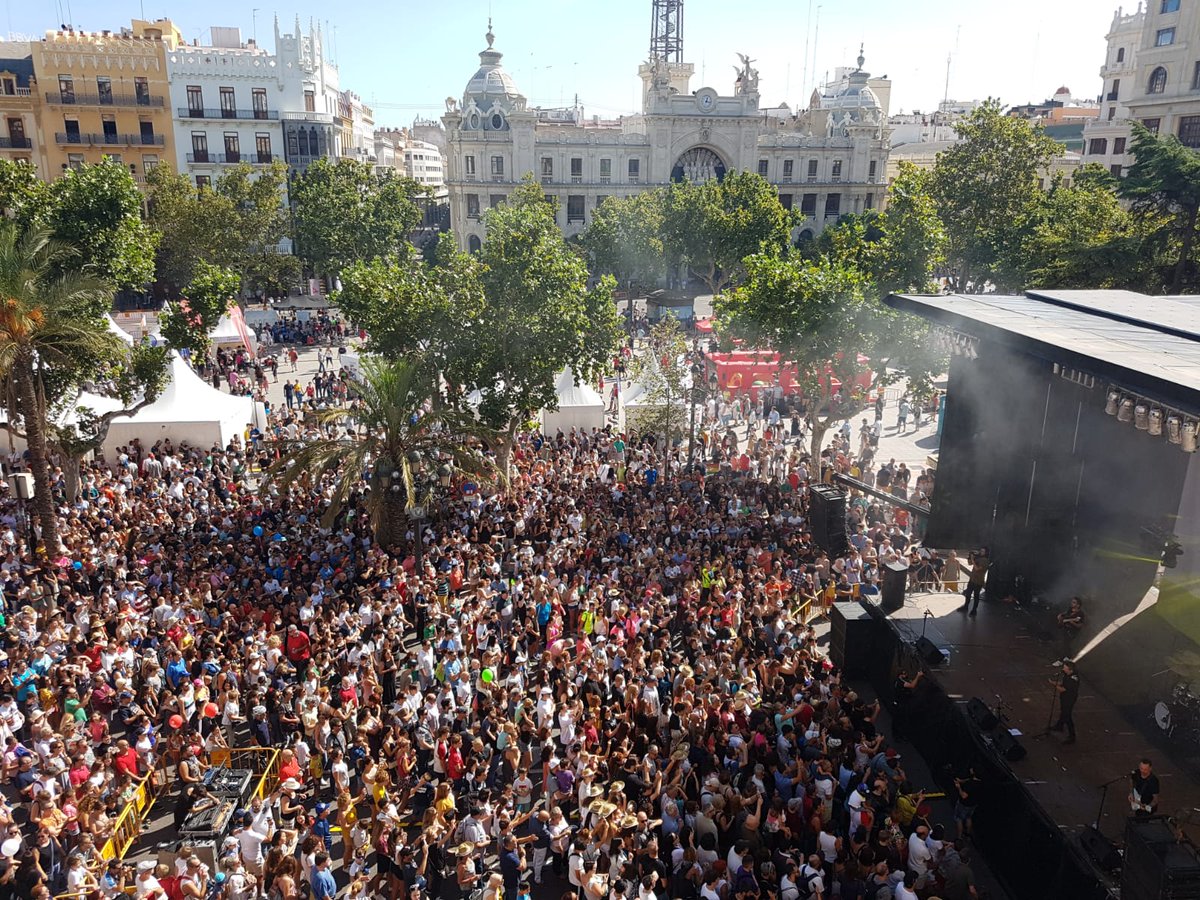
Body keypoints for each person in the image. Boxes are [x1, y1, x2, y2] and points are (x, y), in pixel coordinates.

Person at [1050, 659, 1079, 745]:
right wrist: (1055, 683)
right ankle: (1059, 726)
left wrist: (1054, 684)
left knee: (1067, 716)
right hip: (1065, 698)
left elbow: (1062, 689)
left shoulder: (1072, 679)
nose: (1063, 669)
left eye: (1065, 668)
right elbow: (1063, 684)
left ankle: (1072, 736)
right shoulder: (1068, 675)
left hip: (1069, 699)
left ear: (1070, 670)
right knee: (1063, 712)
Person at [960, 549, 989, 616]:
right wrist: (970, 557)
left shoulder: (985, 561)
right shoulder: (978, 558)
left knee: (976, 596)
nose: (980, 552)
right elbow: (969, 563)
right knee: (968, 594)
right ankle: (965, 607)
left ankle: (974, 610)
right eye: (980, 551)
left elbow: (977, 568)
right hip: (972, 579)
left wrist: (973, 560)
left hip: (978, 581)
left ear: (985, 553)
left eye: (982, 551)